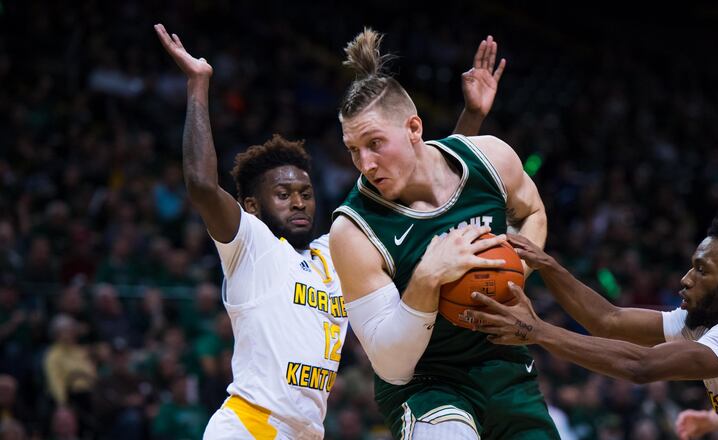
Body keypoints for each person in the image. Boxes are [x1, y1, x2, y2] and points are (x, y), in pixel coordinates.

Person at [155, 24, 508, 439]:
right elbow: (199, 184)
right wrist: (198, 84)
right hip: (248, 426)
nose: (299, 201)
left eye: (305, 192)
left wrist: (474, 116)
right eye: (283, 194)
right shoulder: (251, 246)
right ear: (251, 206)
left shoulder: (338, 251)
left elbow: (430, 184)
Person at [329, 29, 558, 439]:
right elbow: (390, 363)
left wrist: (516, 273)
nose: (364, 162)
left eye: (375, 143)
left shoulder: (490, 158)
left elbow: (533, 212)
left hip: (502, 363)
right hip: (426, 384)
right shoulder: (352, 230)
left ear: (414, 128)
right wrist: (426, 277)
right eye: (353, 149)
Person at [464, 217, 718, 439]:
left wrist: (537, 331)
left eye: (702, 271)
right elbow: (608, 320)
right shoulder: (704, 323)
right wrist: (549, 266)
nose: (686, 279)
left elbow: (641, 366)